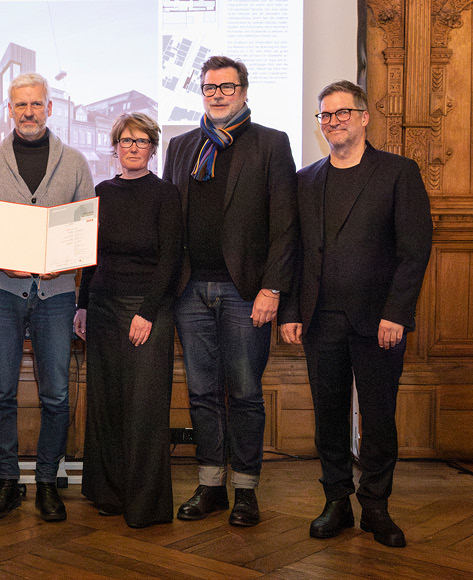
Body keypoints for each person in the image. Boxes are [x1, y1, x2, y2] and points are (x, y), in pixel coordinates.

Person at [280, 80, 432, 548]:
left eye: (343, 113)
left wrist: (397, 313)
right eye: (325, 115)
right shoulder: (305, 179)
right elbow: (294, 252)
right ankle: (337, 503)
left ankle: (376, 507)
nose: (334, 122)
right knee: (328, 416)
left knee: (379, 418)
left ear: (364, 117)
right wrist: (290, 309)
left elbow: (414, 250)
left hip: (378, 321)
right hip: (320, 319)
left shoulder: (398, 173)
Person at [162, 55, 298, 527]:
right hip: (189, 291)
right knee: (200, 393)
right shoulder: (180, 147)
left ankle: (245, 490)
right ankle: (210, 485)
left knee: (243, 393)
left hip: (246, 293)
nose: (217, 94)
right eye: (209, 87)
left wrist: (272, 289)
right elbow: (167, 222)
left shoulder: (271, 144)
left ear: (243, 91)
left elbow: (285, 226)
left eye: (226, 86)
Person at [0, 72, 95, 522]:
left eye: (36, 104)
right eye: (20, 105)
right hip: (1, 292)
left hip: (57, 293)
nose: (28, 112)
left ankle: (45, 481)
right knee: (1, 391)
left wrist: (70, 260)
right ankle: (7, 481)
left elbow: (84, 226)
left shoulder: (75, 163)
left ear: (49, 108)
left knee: (56, 394)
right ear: (10, 110)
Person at [73, 112, 182, 528]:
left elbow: (170, 259)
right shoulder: (101, 192)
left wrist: (147, 312)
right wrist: (83, 304)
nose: (133, 147)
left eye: (141, 141)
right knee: (108, 402)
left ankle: (145, 505)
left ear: (153, 148)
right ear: (114, 147)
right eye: (125, 141)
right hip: (101, 307)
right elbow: (91, 256)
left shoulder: (166, 194)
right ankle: (109, 493)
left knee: (143, 406)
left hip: (145, 309)